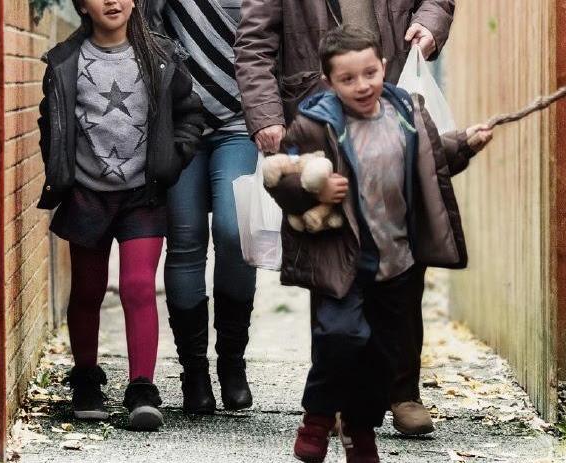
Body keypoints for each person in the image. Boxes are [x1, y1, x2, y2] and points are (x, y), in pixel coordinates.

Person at [266, 25, 493, 462]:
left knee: (382, 354)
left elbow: (431, 158)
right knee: (340, 335)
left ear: (384, 67)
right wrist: (314, 189)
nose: (362, 85)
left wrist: (465, 144)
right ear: (328, 82)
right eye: (348, 79)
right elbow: (280, 178)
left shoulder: (405, 110)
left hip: (397, 259)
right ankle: (318, 415)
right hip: (343, 259)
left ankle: (359, 429)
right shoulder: (315, 124)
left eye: (369, 73)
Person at [234, 0, 455, 435]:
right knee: (334, 262)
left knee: (403, 258)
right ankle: (336, 395)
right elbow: (255, 42)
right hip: (321, 116)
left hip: (394, 107)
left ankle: (403, 391)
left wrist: (430, 25)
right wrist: (265, 117)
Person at [36, 0, 203, 431]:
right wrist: (61, 168)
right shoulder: (65, 61)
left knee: (137, 286)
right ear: (81, 5)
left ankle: (142, 388)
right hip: (87, 195)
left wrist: (172, 160)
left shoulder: (161, 56)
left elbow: (189, 114)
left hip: (142, 195)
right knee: (88, 290)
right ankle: (86, 380)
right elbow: (49, 121)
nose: (112, 1)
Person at [143, 0, 258, 414]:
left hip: (240, 122)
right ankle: (194, 372)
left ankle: (232, 362)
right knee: (186, 238)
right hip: (178, 123)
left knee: (233, 230)